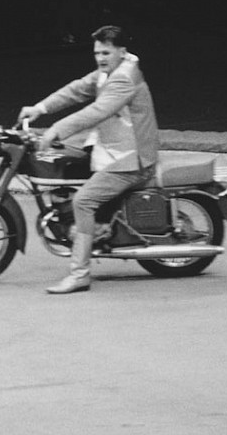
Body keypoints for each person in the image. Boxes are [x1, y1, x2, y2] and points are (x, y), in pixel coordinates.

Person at [17, 24, 158, 294]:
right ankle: (94, 229)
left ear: (122, 52)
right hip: (113, 151)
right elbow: (77, 89)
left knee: (83, 201)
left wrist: (56, 129)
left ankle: (79, 274)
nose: (100, 58)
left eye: (106, 53)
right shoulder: (109, 73)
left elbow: (96, 112)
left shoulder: (124, 78)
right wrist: (39, 108)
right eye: (97, 53)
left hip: (132, 160)